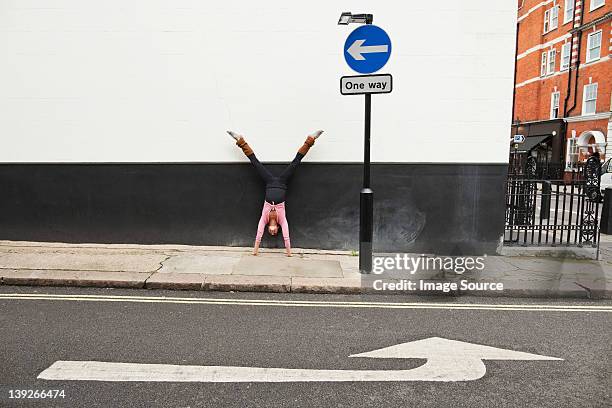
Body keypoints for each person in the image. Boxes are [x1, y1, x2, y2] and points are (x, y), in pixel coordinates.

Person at [227, 130, 324, 256]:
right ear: (277, 228)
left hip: (269, 182)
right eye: (275, 232)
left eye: (270, 232)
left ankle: (240, 140)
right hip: (282, 183)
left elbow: (259, 234)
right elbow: (286, 235)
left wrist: (255, 251)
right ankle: (311, 139)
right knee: (296, 162)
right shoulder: (282, 219)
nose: (272, 232)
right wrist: (289, 252)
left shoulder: (264, 219)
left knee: (255, 163)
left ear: (268, 228)